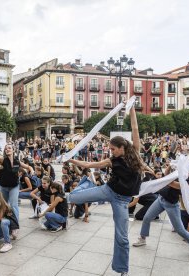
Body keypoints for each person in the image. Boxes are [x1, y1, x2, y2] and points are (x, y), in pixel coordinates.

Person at [66, 103, 143, 275]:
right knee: (74, 198)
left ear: (123, 147)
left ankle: (122, 269)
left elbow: (135, 127)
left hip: (122, 201)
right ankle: (77, 189)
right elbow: (88, 164)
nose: (111, 152)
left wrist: (131, 109)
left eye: (113, 149)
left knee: (122, 238)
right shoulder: (111, 160)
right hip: (108, 190)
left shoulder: (135, 152)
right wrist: (71, 160)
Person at [132, 163, 189, 260]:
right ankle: (142, 238)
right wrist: (171, 166)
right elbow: (166, 175)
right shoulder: (184, 173)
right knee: (146, 218)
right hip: (161, 199)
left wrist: (177, 171)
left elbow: (170, 183)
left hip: (171, 204)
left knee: (180, 230)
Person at [0, 144, 30, 221]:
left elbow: (27, 166)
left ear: (13, 150)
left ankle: (15, 225)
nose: (7, 149)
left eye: (9, 148)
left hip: (14, 186)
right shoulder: (3, 159)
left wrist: (32, 169)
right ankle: (2, 221)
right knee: (2, 205)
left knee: (14, 205)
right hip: (4, 187)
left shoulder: (17, 161)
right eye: (6, 149)